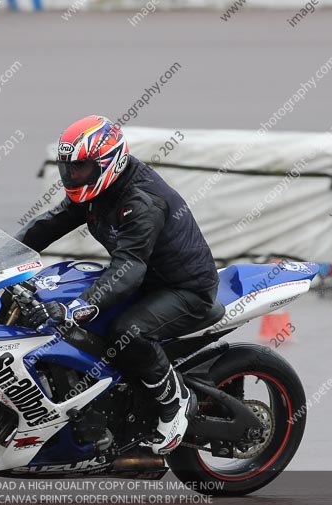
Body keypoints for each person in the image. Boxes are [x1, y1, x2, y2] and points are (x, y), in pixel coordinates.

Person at [16, 115, 219, 455]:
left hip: (183, 289)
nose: (72, 176)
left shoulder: (140, 201)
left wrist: (82, 304)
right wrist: (3, 255)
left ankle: (175, 406)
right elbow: (52, 222)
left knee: (129, 330)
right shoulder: (96, 189)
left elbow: (130, 267)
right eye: (68, 169)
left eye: (80, 169)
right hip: (144, 282)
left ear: (109, 162)